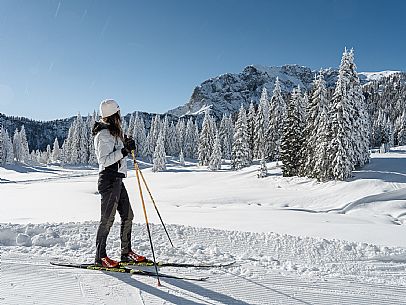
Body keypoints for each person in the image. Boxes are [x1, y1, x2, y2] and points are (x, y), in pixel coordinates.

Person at [92, 99, 146, 268]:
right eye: (118, 114)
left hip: (117, 179)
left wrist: (127, 145)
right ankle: (100, 257)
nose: (120, 117)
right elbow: (104, 160)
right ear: (112, 115)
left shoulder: (114, 132)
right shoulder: (102, 135)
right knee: (107, 220)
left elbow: (119, 153)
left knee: (128, 215)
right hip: (108, 179)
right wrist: (123, 151)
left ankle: (126, 252)